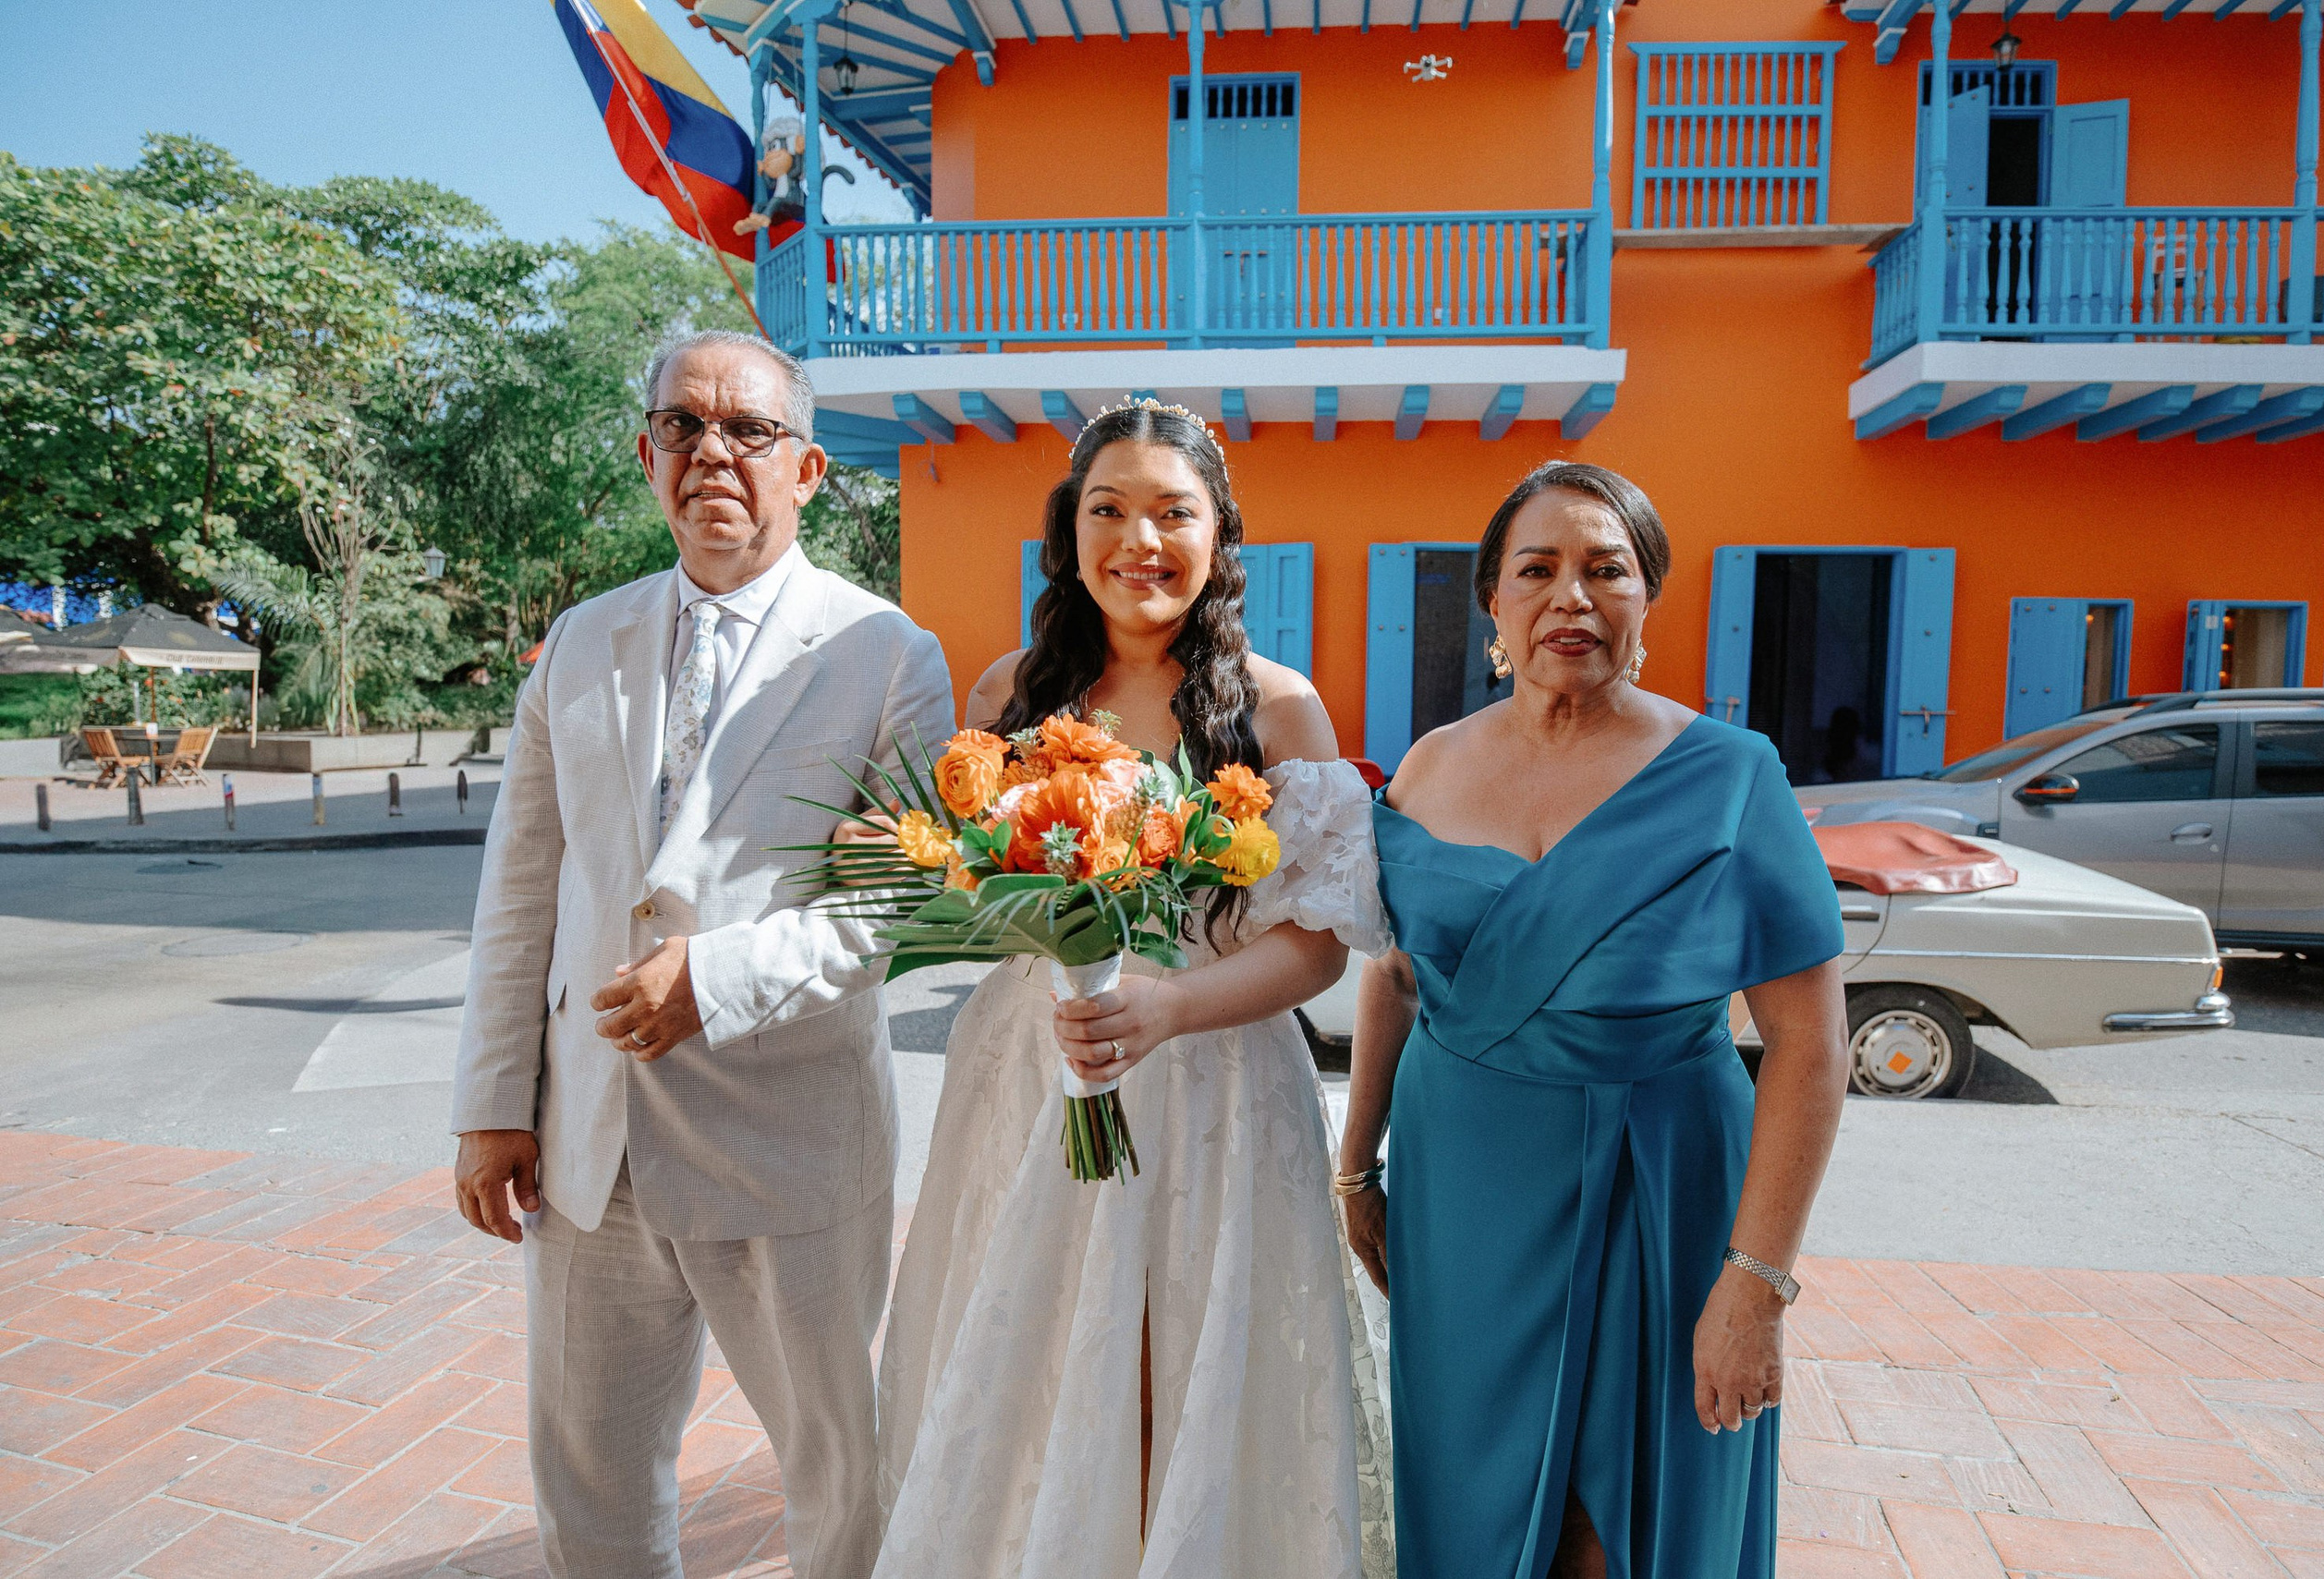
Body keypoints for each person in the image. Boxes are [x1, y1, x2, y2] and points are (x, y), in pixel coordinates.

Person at [449, 329, 956, 1579]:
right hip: (589, 1148)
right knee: (591, 1476)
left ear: (810, 470)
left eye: (749, 430)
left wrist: (714, 982)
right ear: (646, 455)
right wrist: (490, 1105)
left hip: (787, 1142)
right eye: (684, 425)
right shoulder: (580, 642)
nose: (712, 452)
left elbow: (895, 894)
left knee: (841, 1471)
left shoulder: (890, 654)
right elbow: (523, 888)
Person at [871, 398, 1394, 1579]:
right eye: (1108, 509)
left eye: (1173, 511)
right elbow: (981, 892)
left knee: (1189, 1368)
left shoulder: (1279, 704)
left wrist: (1168, 1006)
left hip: (1214, 1083)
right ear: (1069, 531)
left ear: (1218, 535)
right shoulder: (1008, 693)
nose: (1139, 541)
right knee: (1044, 1358)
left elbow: (1317, 947)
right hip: (1039, 1068)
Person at [1338, 461, 1849, 1579]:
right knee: (1471, 1496)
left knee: (1620, 1523)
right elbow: (1395, 974)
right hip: (1461, 1199)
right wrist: (1355, 1167)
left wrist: (1755, 1285)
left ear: (1645, 598)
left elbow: (1813, 1044)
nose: (1571, 595)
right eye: (1538, 569)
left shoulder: (1731, 776)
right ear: (1494, 604)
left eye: (1605, 568)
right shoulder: (1428, 764)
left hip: (1658, 1192)